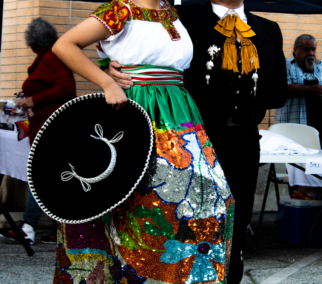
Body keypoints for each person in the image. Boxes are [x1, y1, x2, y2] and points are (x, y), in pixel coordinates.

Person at [51, 0, 235, 283]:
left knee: (210, 198)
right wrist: (106, 80)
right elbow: (64, 45)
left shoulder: (174, 12)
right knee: (137, 203)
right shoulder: (119, 8)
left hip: (179, 110)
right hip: (136, 109)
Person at [105, 0, 288, 282]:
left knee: (236, 221)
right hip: (191, 138)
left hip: (244, 140)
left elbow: (277, 91)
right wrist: (111, 69)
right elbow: (135, 44)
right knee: (183, 219)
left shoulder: (268, 28)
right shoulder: (179, 15)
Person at [0, 18, 76, 245]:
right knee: (47, 178)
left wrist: (32, 99)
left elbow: (66, 88)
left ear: (33, 43)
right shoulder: (48, 58)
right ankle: (55, 229)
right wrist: (28, 100)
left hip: (51, 129)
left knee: (41, 178)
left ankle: (30, 226)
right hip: (45, 127)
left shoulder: (51, 58)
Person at [275, 34, 322, 149]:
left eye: (313, 49)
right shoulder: (284, 66)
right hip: (294, 129)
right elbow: (282, 88)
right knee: (296, 165)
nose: (311, 53)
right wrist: (310, 90)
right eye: (306, 49)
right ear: (295, 49)